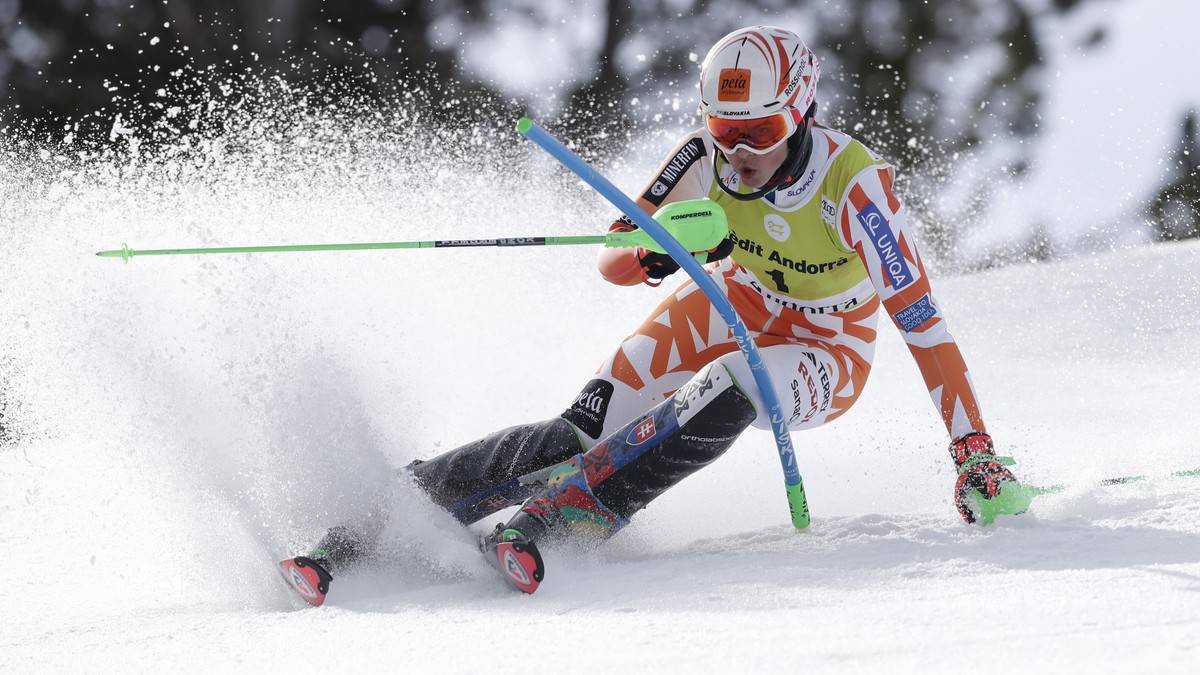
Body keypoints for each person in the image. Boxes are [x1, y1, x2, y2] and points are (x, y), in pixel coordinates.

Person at [279, 25, 1030, 606]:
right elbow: (611, 256)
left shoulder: (855, 185)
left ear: (798, 116)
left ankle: (560, 519)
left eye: (759, 134)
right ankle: (367, 530)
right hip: (730, 301)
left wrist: (974, 452)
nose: (737, 153)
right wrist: (655, 252)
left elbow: (923, 325)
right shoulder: (704, 153)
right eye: (723, 129)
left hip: (826, 348)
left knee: (731, 383)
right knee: (577, 429)